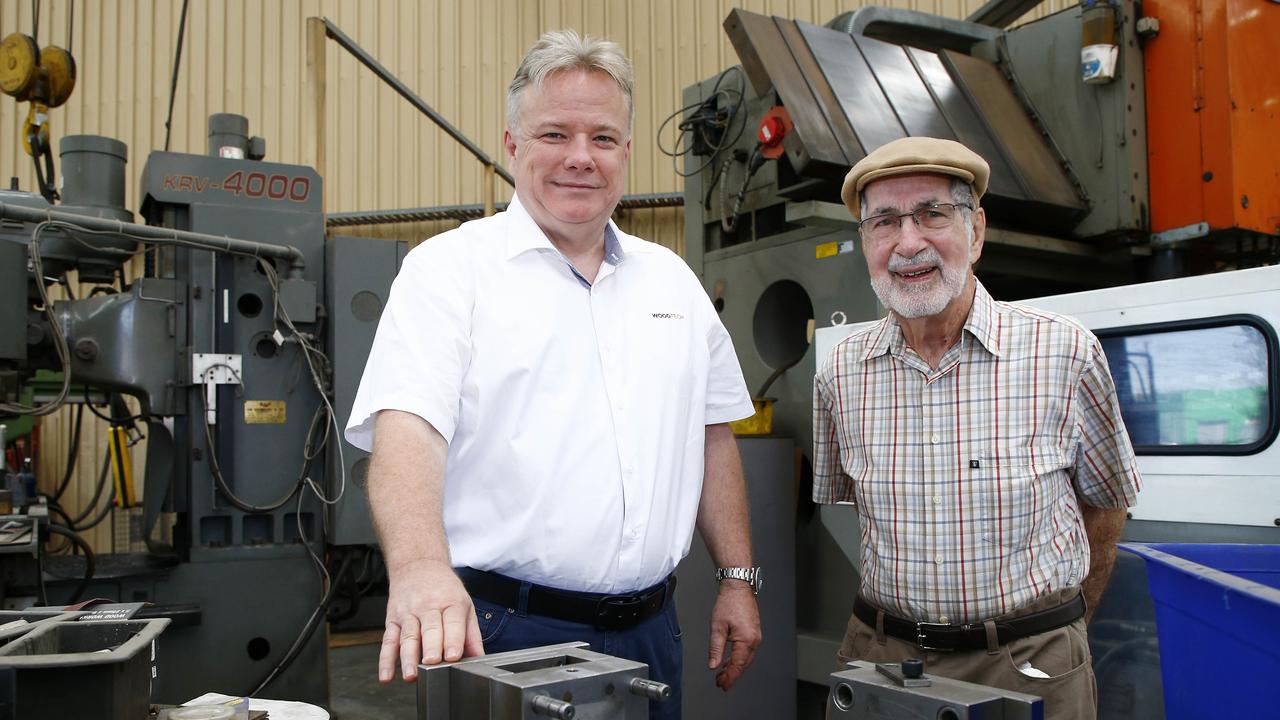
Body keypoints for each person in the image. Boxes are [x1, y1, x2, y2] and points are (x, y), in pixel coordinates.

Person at [344, 29, 762, 718]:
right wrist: (419, 569)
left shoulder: (675, 284)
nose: (580, 158)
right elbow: (407, 431)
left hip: (653, 632)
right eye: (554, 135)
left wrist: (739, 578)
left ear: (626, 152)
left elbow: (712, 436)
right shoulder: (450, 272)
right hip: (505, 630)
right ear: (512, 146)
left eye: (602, 138)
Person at [812, 136, 1141, 720]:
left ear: (978, 229)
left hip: (1031, 664)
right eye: (883, 221)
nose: (908, 242)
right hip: (883, 660)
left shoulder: (1063, 353)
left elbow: (1107, 505)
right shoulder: (841, 374)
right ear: (864, 241)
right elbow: (854, 512)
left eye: (932, 213)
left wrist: (1061, 629)